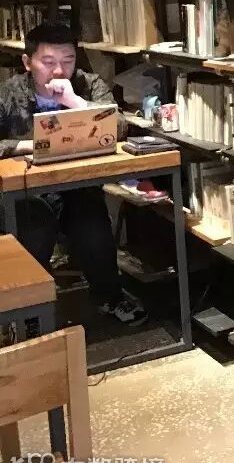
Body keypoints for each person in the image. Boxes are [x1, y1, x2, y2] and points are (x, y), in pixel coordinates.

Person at [0, 22, 147, 325]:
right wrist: (29, 145)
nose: (58, 71)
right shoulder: (10, 92)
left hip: (77, 184)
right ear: (27, 62)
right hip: (29, 191)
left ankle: (110, 296)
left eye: (67, 61)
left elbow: (120, 126)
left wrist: (74, 103)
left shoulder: (87, 84)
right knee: (34, 225)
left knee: (92, 221)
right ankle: (29, 308)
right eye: (48, 62)